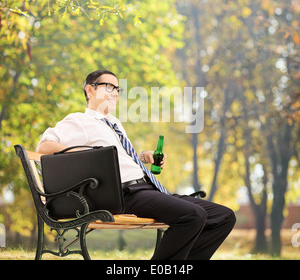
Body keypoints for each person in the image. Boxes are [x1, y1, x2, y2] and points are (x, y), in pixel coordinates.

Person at [37, 69, 236, 260]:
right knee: (193, 215)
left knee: (224, 217)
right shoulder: (79, 120)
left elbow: (120, 157)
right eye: (108, 87)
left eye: (117, 89)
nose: (114, 92)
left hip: (148, 188)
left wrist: (143, 155)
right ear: (90, 89)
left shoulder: (114, 123)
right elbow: (44, 146)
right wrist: (80, 153)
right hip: (125, 194)